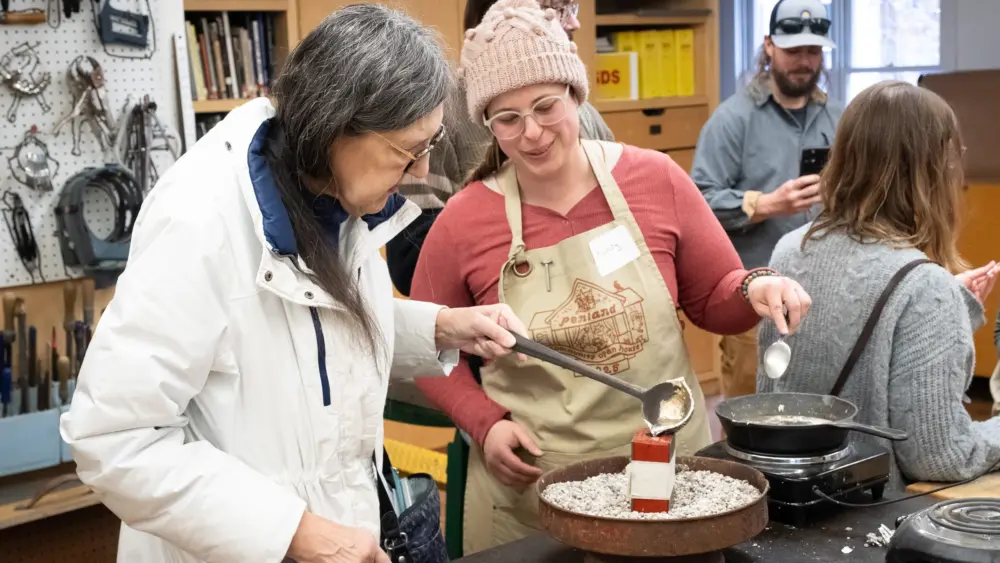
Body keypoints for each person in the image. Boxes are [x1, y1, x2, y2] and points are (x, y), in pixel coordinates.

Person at [58, 6, 527, 563]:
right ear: (334, 127)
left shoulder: (336, 197)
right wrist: (292, 532)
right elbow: (113, 439)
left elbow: (309, 337)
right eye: (409, 150)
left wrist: (441, 328)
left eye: (430, 143)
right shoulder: (199, 226)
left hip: (341, 528)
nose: (423, 172)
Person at [408, 0, 813, 554]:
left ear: (577, 93)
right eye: (508, 119)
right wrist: (486, 422)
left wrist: (757, 288)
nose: (531, 133)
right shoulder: (464, 221)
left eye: (546, 106)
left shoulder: (656, 179)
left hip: (673, 472)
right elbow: (425, 343)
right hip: (537, 490)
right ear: (487, 125)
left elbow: (715, 297)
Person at [757, 80, 1000, 491]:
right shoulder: (925, 287)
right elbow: (940, 456)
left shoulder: (787, 252)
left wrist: (949, 304)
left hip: (790, 507)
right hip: (869, 526)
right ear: (933, 170)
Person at [385, 0, 614, 298]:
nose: (573, 24)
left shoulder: (585, 117)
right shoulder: (441, 119)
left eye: (574, 8)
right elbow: (409, 267)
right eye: (556, 9)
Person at [690, 0, 843, 400]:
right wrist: (767, 204)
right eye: (794, 51)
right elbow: (700, 203)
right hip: (754, 302)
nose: (805, 62)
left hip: (825, 297)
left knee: (816, 407)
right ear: (769, 47)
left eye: (813, 52)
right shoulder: (731, 120)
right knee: (747, 409)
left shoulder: (838, 119)